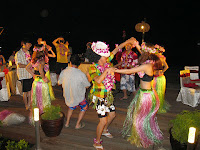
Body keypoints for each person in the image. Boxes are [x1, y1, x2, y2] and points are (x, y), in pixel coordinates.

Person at [86, 38, 135, 150]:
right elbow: (98, 80)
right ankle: (97, 142)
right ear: (98, 58)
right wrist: (107, 71)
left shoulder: (107, 61)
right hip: (99, 97)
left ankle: (104, 130)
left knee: (112, 115)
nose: (107, 57)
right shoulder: (93, 67)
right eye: (104, 56)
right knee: (103, 120)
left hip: (108, 95)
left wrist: (128, 41)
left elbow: (117, 49)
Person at [114, 47, 163, 148]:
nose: (140, 53)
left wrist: (115, 70)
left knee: (140, 118)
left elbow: (130, 71)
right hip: (143, 92)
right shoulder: (148, 63)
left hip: (146, 95)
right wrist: (136, 45)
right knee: (142, 117)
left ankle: (143, 138)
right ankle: (144, 136)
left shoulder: (147, 65)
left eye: (143, 52)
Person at [58, 54, 90, 129]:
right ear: (79, 64)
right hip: (79, 97)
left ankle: (67, 123)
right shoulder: (81, 74)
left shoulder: (64, 72)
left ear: (70, 62)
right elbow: (87, 85)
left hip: (69, 96)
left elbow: (59, 82)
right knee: (84, 107)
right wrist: (88, 76)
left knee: (71, 107)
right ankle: (77, 124)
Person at [26, 44, 51, 124]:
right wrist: (44, 78)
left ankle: (36, 116)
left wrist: (33, 75)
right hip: (41, 82)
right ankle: (44, 115)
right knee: (44, 99)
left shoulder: (33, 60)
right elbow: (40, 69)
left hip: (36, 82)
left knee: (36, 99)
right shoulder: (42, 61)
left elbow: (27, 68)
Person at [15, 39, 33, 110]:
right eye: (28, 45)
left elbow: (29, 61)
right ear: (24, 44)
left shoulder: (28, 52)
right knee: (25, 92)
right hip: (23, 75)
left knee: (29, 90)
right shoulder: (18, 54)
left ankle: (29, 104)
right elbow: (19, 65)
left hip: (29, 74)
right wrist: (28, 66)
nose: (29, 46)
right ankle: (26, 105)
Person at [152, 44, 169, 113]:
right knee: (152, 92)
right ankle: (152, 105)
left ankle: (158, 106)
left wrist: (161, 71)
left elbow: (166, 66)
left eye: (157, 51)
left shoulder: (161, 58)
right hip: (153, 78)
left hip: (160, 78)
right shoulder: (153, 58)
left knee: (159, 93)